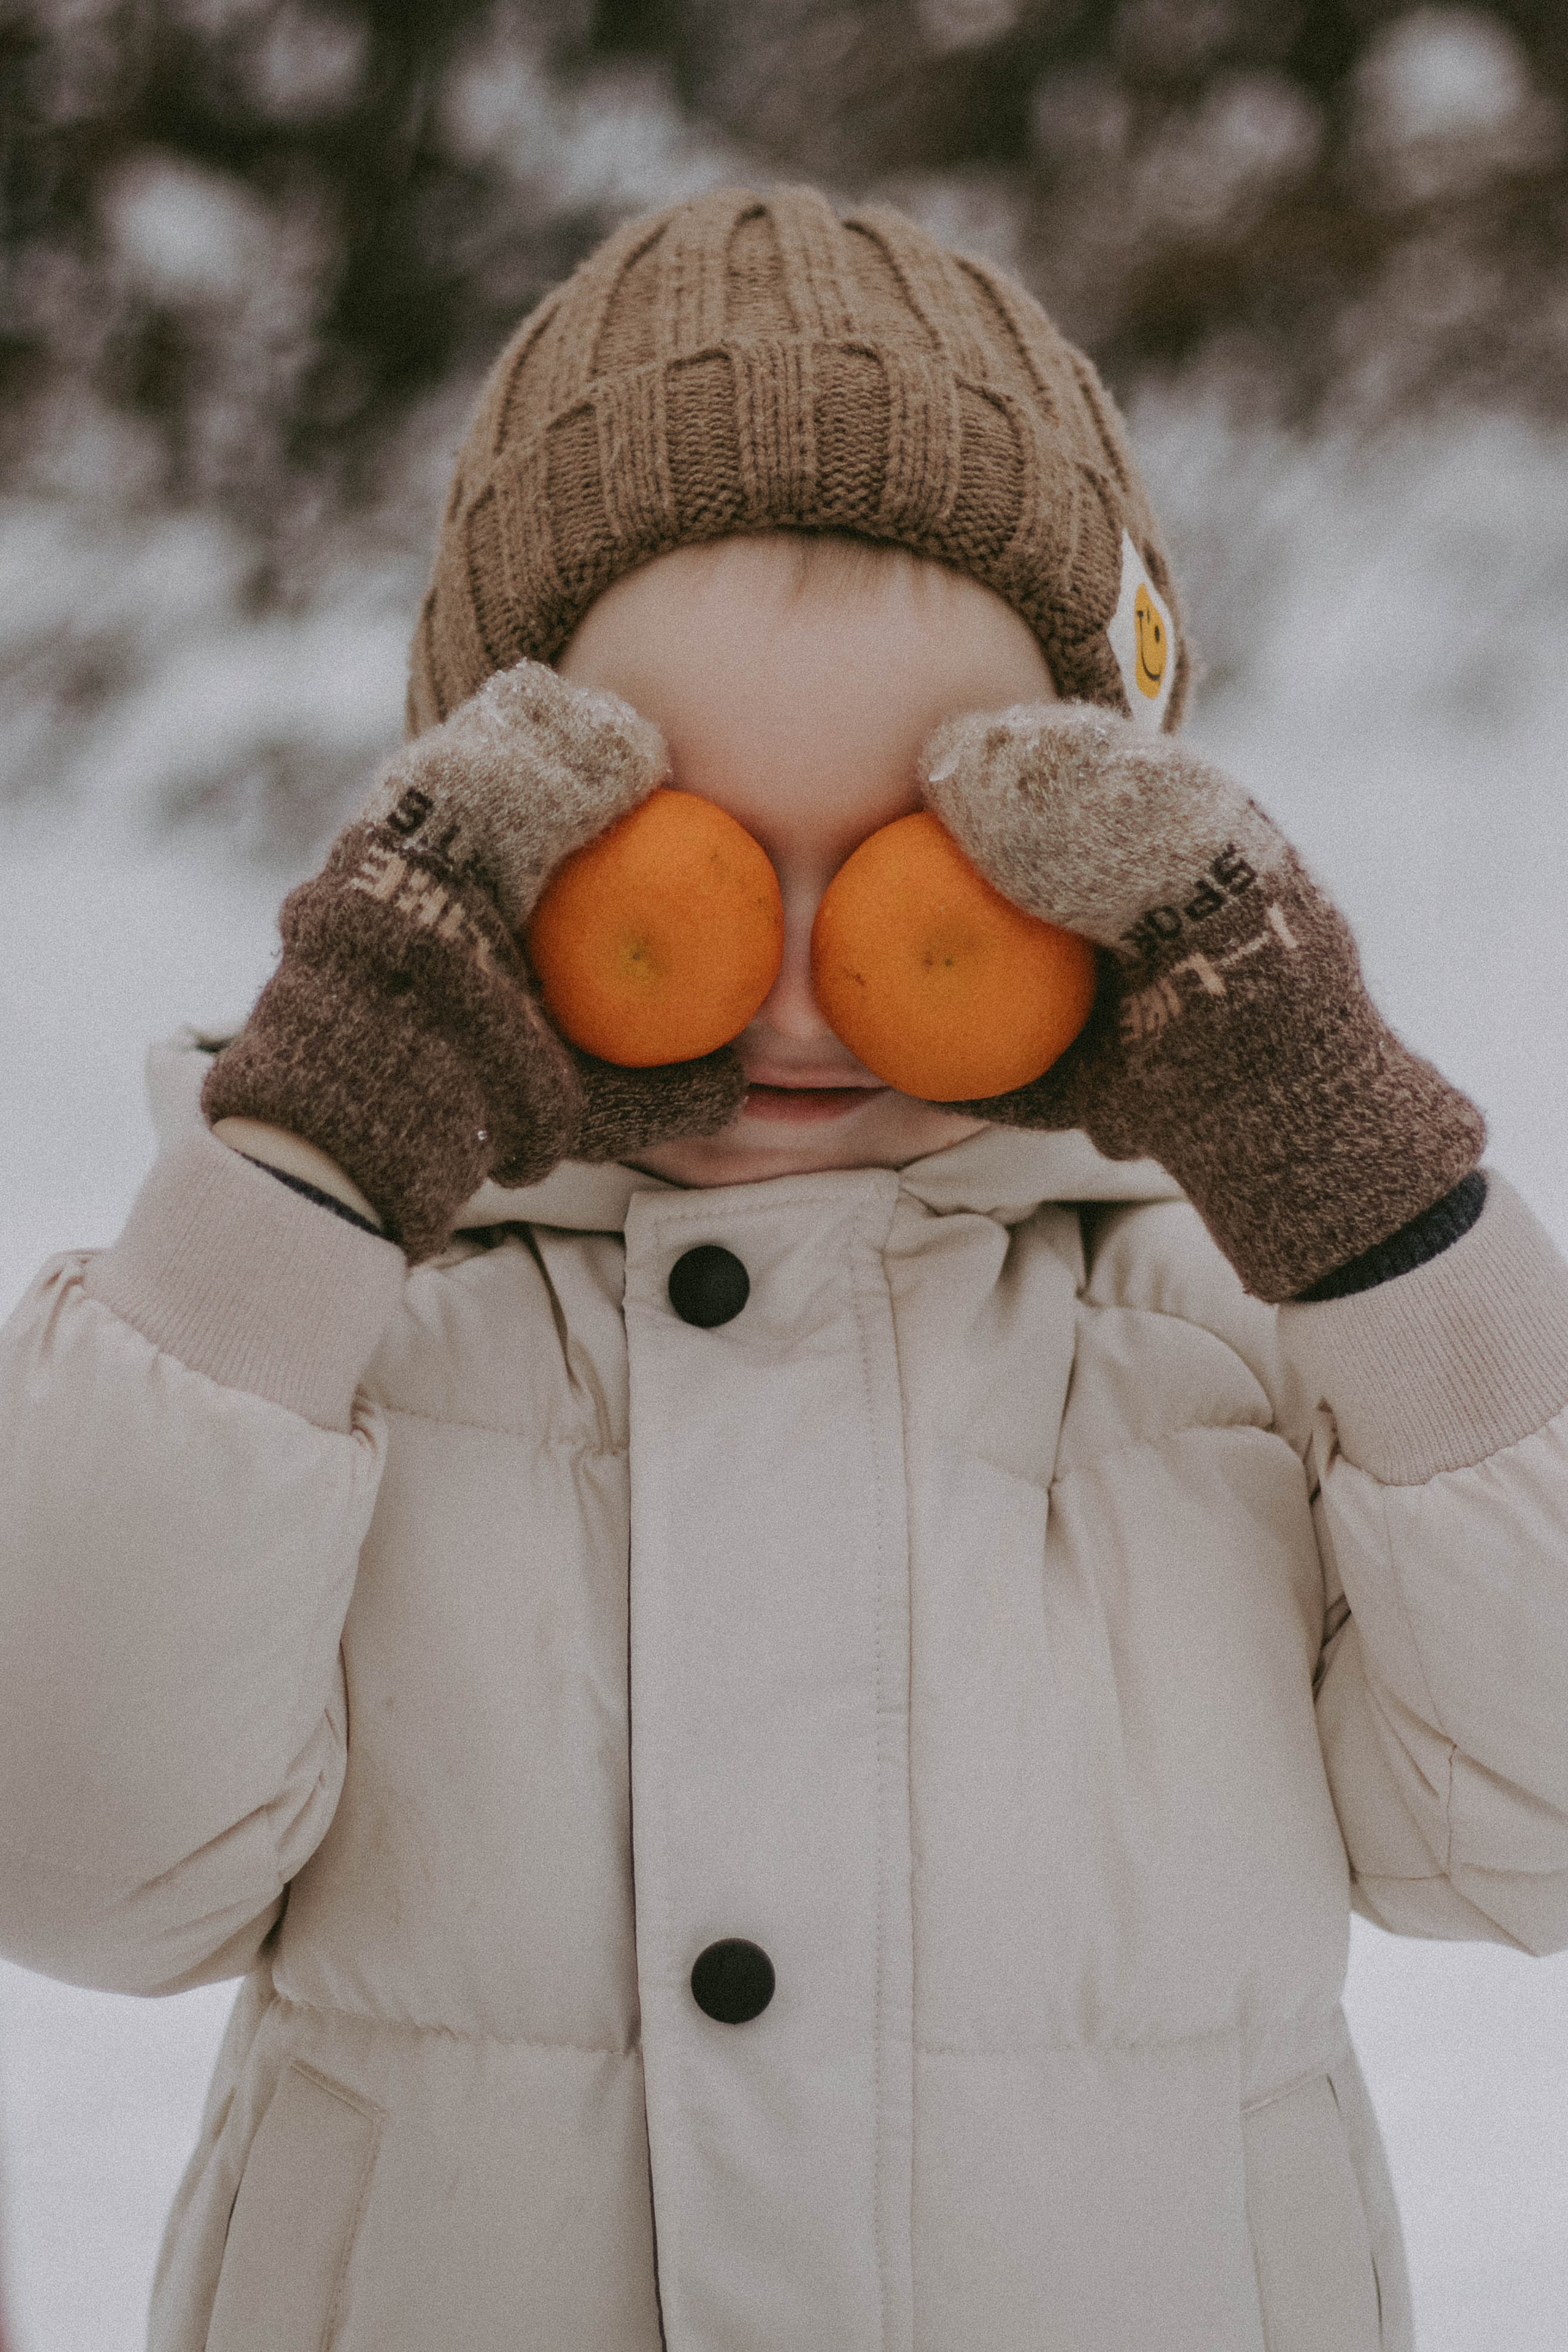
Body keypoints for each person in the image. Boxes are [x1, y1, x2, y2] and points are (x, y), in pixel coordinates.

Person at [2, 184, 1566, 2352]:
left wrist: (1373, 1211)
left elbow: (1535, 1820)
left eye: (931, 863)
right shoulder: (346, 1323)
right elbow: (79, 1857)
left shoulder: (1215, 1328)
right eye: (693, 857)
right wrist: (310, 1169)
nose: (814, 989)